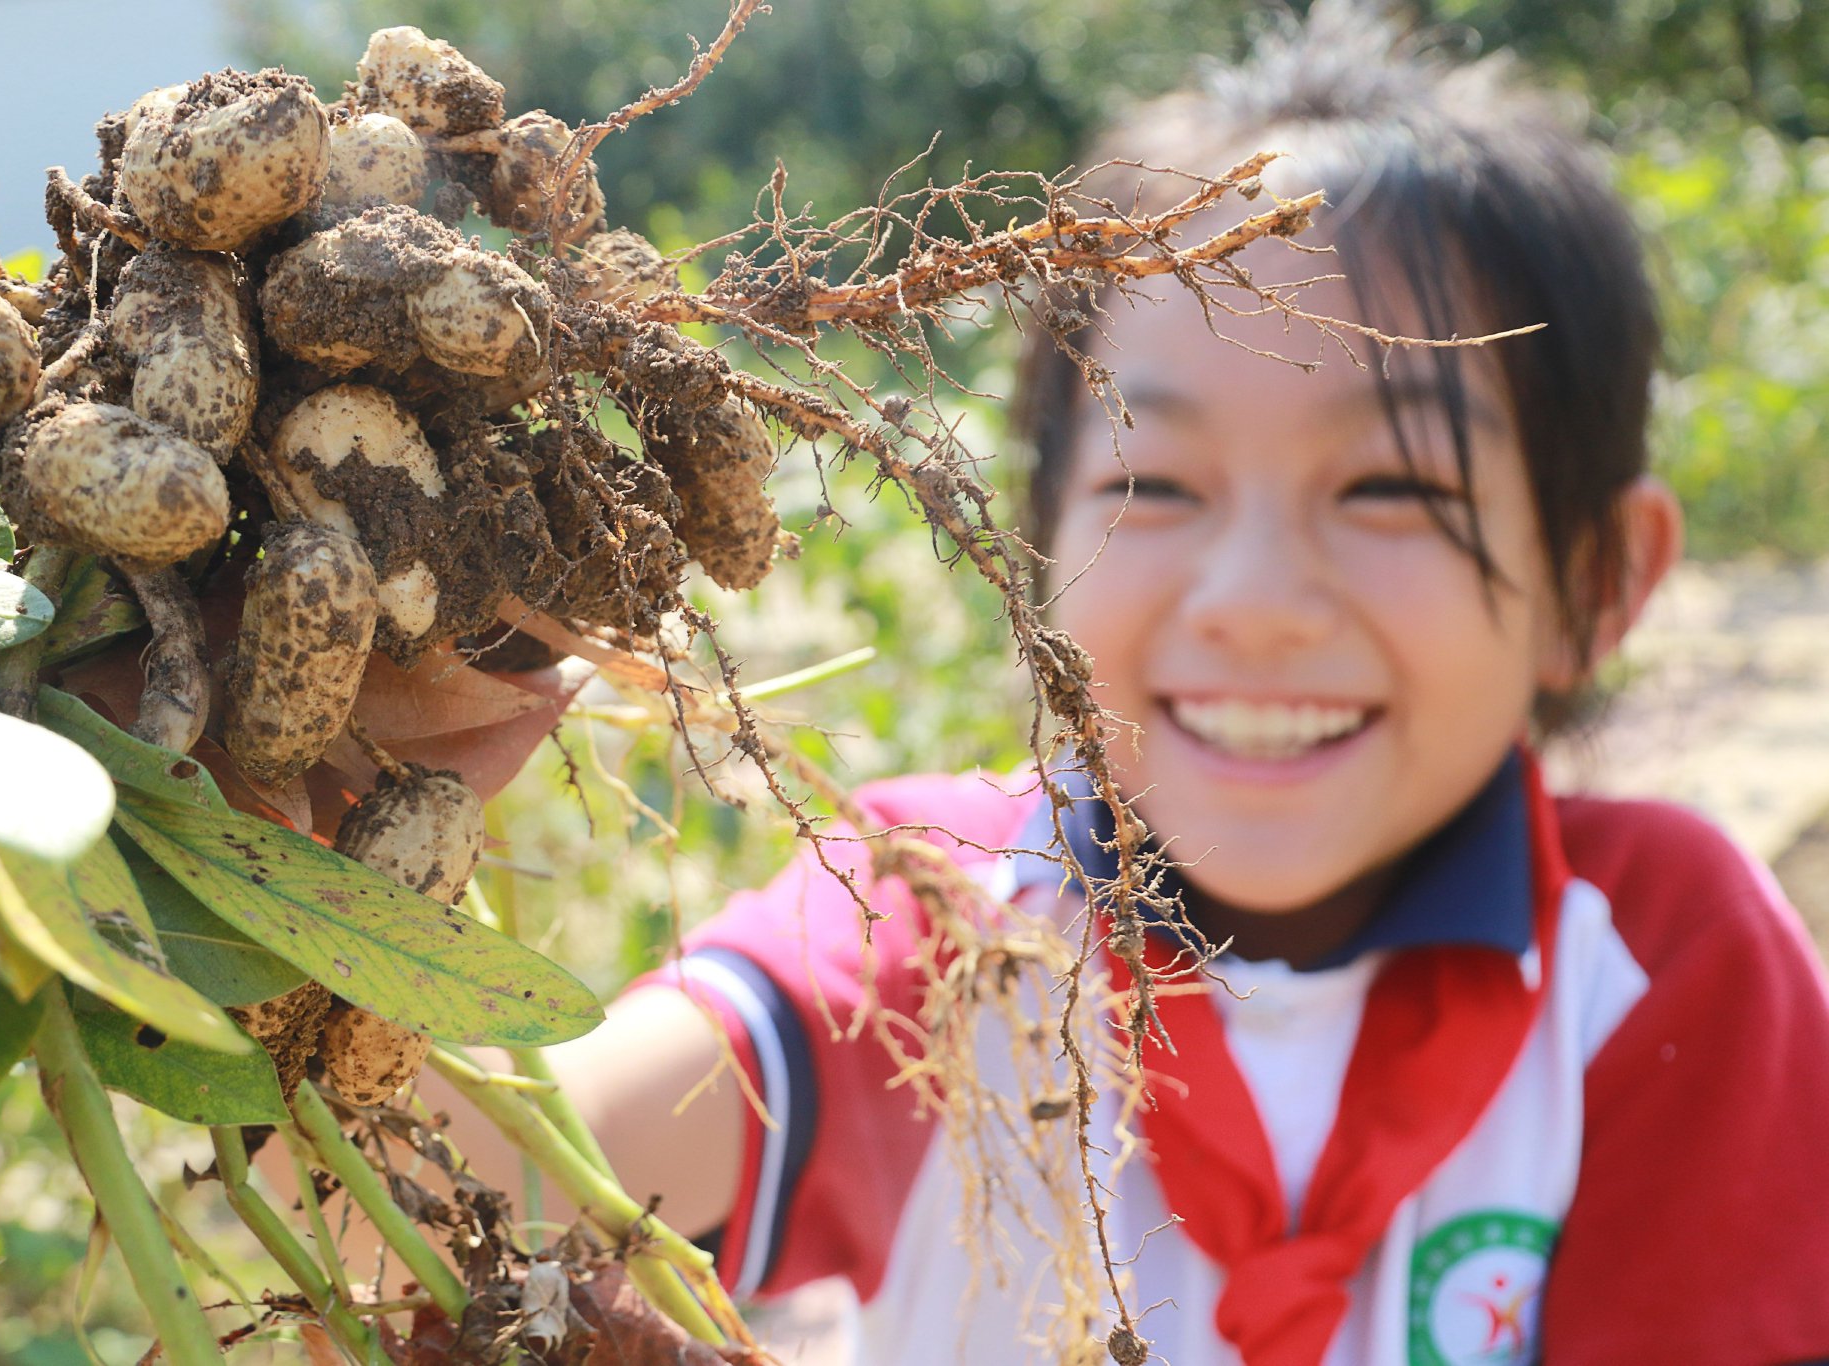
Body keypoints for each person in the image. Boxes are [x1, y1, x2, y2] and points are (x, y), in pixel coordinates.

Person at [394, 7, 1829, 1363]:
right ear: (1035, 541)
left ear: (1593, 581)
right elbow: (440, 1197)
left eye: (1387, 488)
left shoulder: (1666, 967)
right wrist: (342, 865)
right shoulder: (930, 922)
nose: (1253, 602)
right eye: (1159, 481)